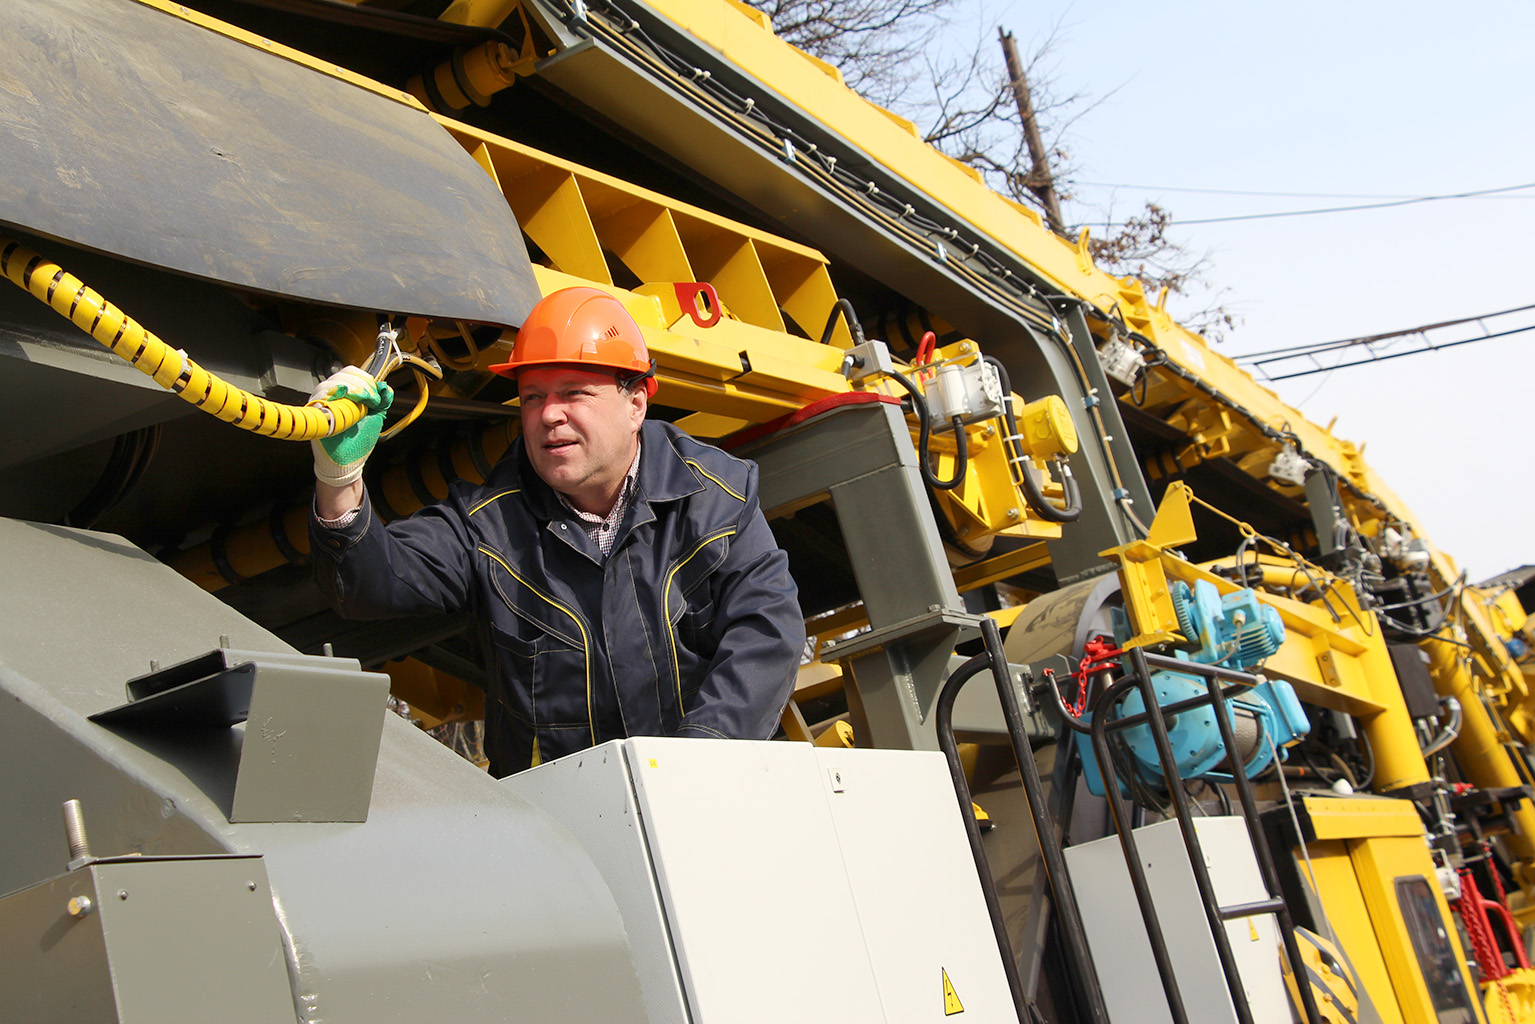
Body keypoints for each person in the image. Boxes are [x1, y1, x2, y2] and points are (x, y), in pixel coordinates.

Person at [307, 287, 805, 777]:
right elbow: (372, 584)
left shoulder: (717, 495)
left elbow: (768, 631)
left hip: (712, 798)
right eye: (532, 398)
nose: (549, 415)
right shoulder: (489, 523)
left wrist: (693, 770)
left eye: (574, 393)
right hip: (563, 828)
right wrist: (340, 480)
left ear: (636, 403)